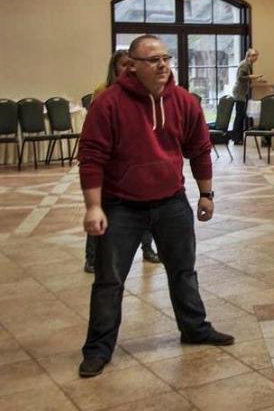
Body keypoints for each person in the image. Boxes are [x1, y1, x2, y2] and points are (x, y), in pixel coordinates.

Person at [77, 35, 233, 378]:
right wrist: (93, 206)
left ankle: (194, 329)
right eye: (153, 60)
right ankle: (98, 348)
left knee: (183, 271)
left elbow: (199, 148)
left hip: (171, 201)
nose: (162, 65)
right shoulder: (109, 103)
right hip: (120, 205)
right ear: (133, 66)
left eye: (165, 58)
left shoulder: (183, 101)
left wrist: (206, 194)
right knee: (109, 280)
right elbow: (91, 157)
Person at [84, 50, 160, 273]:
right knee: (101, 212)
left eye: (131, 64)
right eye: (124, 64)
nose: (129, 68)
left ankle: (148, 249)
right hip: (112, 164)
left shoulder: (141, 91)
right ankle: (91, 258)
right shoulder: (104, 92)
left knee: (146, 208)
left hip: (137, 162)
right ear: (115, 68)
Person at [231, 48, 263, 145]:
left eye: (256, 56)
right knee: (239, 115)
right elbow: (240, 78)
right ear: (248, 56)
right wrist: (250, 77)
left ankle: (238, 137)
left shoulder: (248, 65)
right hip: (239, 93)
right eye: (254, 56)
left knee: (240, 115)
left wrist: (254, 79)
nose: (256, 58)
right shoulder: (244, 65)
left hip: (241, 92)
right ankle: (236, 138)